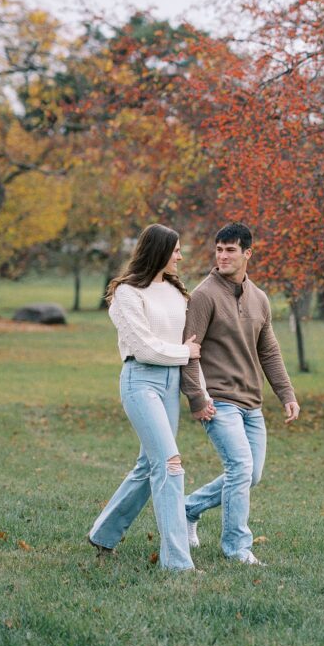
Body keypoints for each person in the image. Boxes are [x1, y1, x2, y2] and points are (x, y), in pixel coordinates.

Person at [88, 223, 213, 571]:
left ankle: (103, 534)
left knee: (149, 465)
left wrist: (199, 392)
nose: (180, 256)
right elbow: (144, 348)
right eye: (175, 249)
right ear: (158, 250)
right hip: (140, 383)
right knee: (170, 465)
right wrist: (185, 353)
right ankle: (177, 563)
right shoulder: (127, 293)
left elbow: (193, 348)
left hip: (171, 384)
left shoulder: (177, 292)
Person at [180, 222, 300, 565]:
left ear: (248, 253)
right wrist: (197, 398)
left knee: (252, 475)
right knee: (240, 467)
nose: (223, 256)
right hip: (218, 400)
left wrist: (286, 394)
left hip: (252, 402)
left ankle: (188, 508)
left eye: (230, 249)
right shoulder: (203, 295)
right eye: (218, 249)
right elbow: (189, 349)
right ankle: (236, 548)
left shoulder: (259, 298)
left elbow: (270, 352)